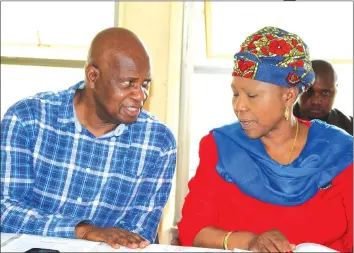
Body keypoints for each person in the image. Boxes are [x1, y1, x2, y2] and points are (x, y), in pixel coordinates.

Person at [177, 26, 353, 252]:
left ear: (288, 96)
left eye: (252, 96)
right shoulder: (221, 147)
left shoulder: (340, 152)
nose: (239, 106)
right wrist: (249, 242)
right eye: (235, 94)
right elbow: (193, 229)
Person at [1, 27, 177, 250]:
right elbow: (5, 210)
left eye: (145, 84)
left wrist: (107, 237)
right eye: (128, 83)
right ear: (93, 77)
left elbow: (138, 231)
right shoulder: (28, 119)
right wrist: (81, 230)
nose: (140, 96)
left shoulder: (158, 142)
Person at [293, 59, 353, 135]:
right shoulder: (277, 123)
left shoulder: (350, 128)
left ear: (336, 90)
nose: (316, 101)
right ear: (297, 89)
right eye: (308, 91)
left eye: (325, 93)